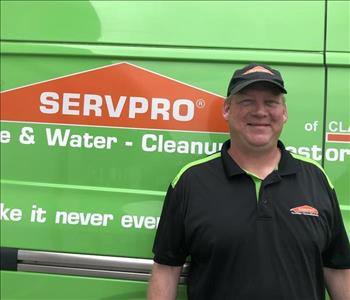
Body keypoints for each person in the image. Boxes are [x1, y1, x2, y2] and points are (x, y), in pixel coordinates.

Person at [148, 63, 350, 300]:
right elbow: (166, 269)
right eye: (247, 101)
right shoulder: (191, 181)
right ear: (226, 109)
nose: (260, 112)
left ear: (284, 112)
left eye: (271, 102)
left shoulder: (316, 178)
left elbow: (337, 269)